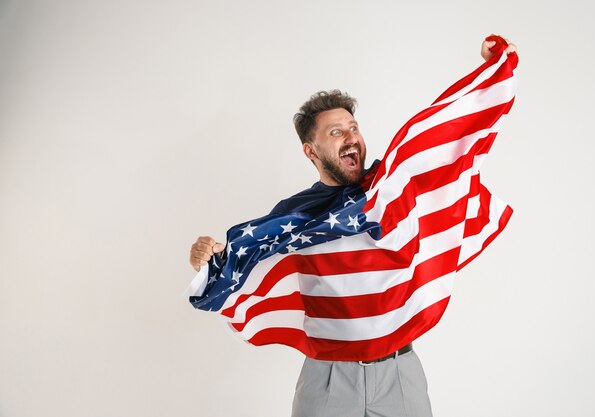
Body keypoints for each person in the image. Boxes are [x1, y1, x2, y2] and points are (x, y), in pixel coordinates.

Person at [188, 36, 517, 417]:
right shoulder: (295, 217)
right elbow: (246, 258)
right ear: (311, 151)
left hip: (400, 373)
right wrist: (209, 259)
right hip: (327, 381)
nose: (351, 138)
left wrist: (489, 74)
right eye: (336, 132)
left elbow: (448, 147)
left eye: (353, 127)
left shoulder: (393, 190)